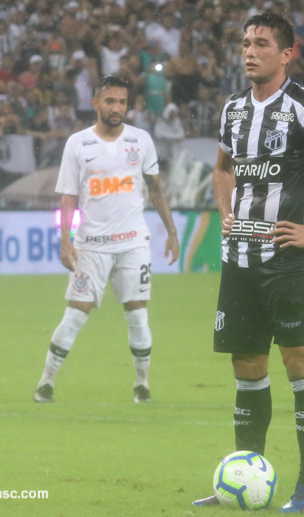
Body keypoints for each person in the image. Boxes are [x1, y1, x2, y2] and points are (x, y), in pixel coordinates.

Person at [191, 14, 304, 513]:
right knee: (247, 368)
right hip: (239, 261)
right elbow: (222, 169)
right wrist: (227, 213)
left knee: (300, 366)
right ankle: (244, 479)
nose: (249, 51)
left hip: (287, 262)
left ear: (287, 53)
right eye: (245, 42)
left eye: (262, 44)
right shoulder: (232, 110)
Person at [32, 75, 179, 404]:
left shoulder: (140, 141)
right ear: (96, 103)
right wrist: (65, 241)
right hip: (92, 245)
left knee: (137, 312)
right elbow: (68, 198)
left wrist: (171, 231)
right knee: (76, 313)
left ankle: (142, 383)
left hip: (133, 243)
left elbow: (155, 187)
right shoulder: (78, 143)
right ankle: (46, 381)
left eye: (122, 102)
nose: (117, 108)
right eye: (110, 101)